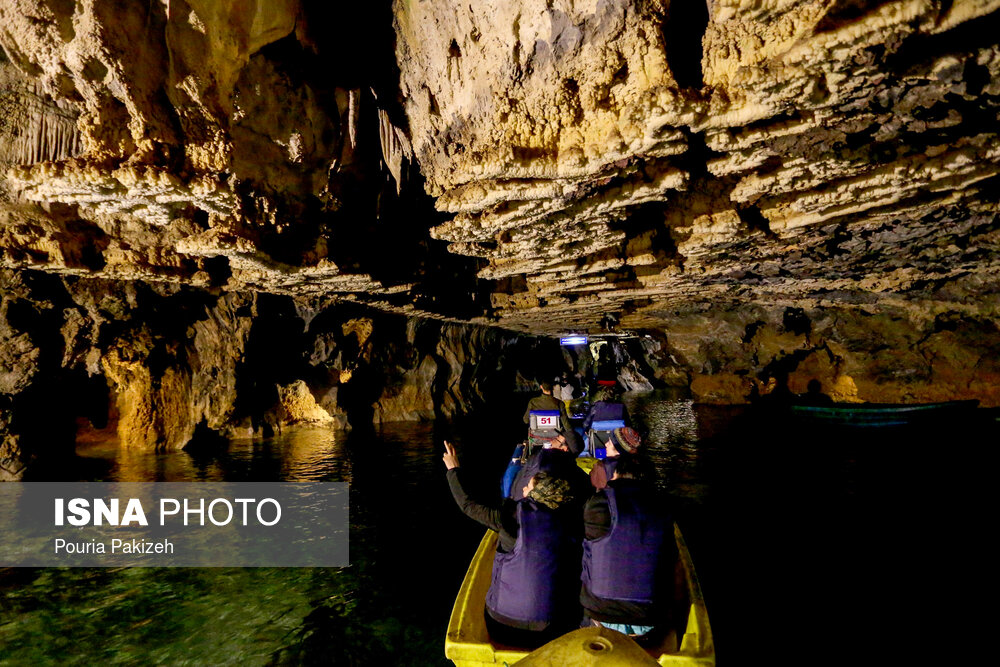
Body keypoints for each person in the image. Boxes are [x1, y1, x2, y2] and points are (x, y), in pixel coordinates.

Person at [443, 441, 582, 648]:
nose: (524, 487)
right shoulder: (570, 522)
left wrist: (453, 469)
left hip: (502, 625)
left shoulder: (509, 518)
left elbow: (467, 505)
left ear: (537, 495)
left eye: (529, 486)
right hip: (550, 628)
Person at [581, 454, 677, 641]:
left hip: (600, 611)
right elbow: (669, 556)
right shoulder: (664, 506)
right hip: (649, 615)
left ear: (616, 474)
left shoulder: (599, 504)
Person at [510, 434, 592, 506]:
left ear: (564, 448)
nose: (552, 441)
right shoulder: (580, 475)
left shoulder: (544, 465)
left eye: (557, 440)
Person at [523, 381, 582, 454]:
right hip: (555, 436)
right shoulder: (559, 403)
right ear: (553, 387)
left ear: (541, 387)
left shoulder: (533, 402)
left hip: (536, 437)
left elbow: (526, 420)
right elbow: (566, 425)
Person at [590, 426, 642, 491]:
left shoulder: (602, 469)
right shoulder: (638, 469)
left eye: (609, 443)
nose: (606, 444)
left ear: (618, 450)